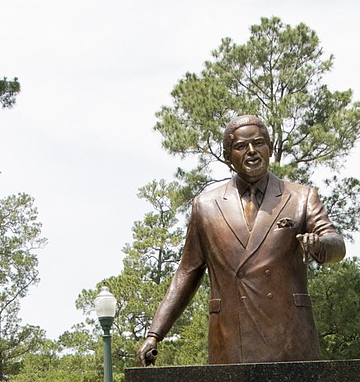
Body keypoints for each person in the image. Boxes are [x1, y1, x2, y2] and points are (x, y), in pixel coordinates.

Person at [137, 113, 346, 367]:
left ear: (268, 148)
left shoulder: (300, 197)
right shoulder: (205, 206)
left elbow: (337, 243)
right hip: (231, 337)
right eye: (240, 146)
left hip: (289, 336)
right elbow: (187, 272)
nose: (251, 151)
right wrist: (155, 334)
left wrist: (321, 245)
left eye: (258, 143)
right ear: (228, 157)